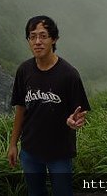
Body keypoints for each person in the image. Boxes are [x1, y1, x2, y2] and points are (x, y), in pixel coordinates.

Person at [8, 15, 90, 196]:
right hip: (30, 151)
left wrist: (74, 121)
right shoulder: (24, 71)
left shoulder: (69, 74)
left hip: (59, 152)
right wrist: (13, 144)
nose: (38, 41)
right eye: (32, 36)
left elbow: (79, 112)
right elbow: (21, 109)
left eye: (43, 36)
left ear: (54, 39)